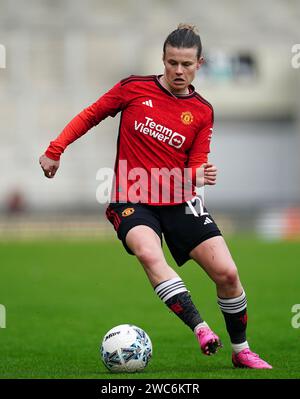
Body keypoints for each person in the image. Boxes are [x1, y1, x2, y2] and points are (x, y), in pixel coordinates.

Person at [39, 24, 272, 369]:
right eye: (173, 63)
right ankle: (201, 328)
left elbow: (194, 165)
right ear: (163, 60)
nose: (179, 71)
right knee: (149, 252)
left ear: (199, 64)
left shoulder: (203, 112)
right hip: (130, 196)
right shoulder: (133, 88)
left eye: (187, 64)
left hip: (179, 199)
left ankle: (242, 351)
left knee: (227, 273)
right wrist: (55, 149)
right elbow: (91, 115)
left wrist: (201, 173)